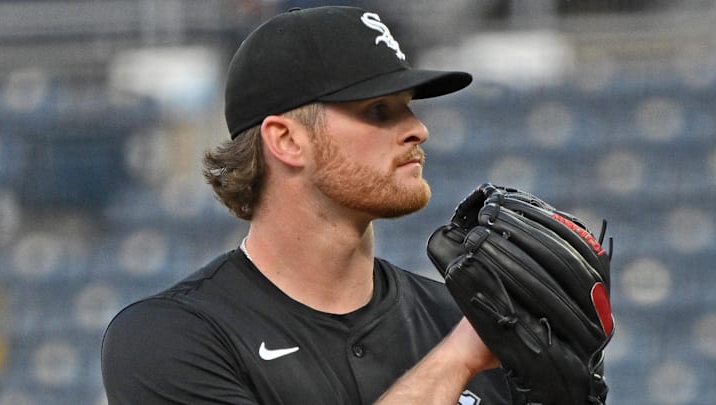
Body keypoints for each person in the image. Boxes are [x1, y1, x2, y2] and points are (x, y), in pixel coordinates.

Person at [102, 6, 519, 404]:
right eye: (378, 110)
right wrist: (456, 361)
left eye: (408, 106)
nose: (417, 129)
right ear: (286, 140)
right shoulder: (171, 337)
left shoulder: (463, 319)